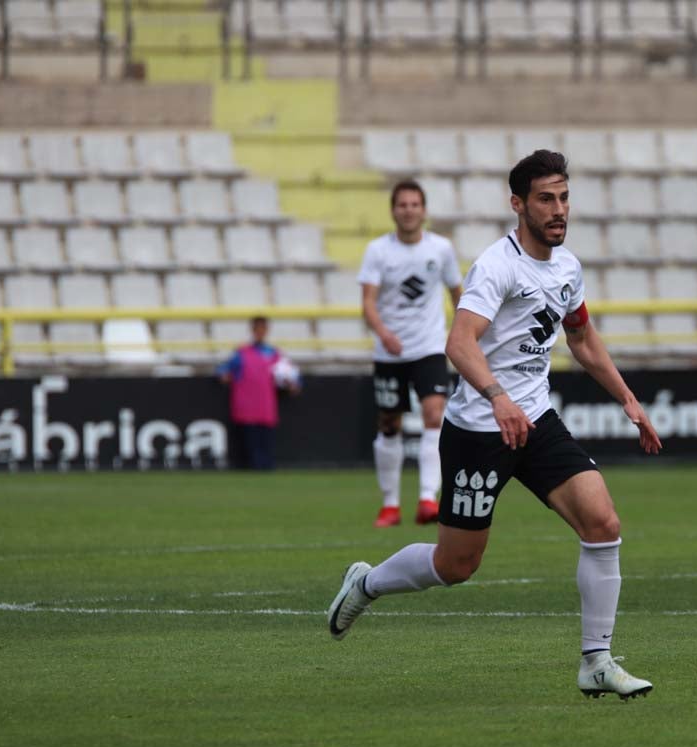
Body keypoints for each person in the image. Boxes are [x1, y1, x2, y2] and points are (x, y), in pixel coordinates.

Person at [329, 150, 663, 700]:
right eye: (545, 199)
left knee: (603, 523)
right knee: (456, 565)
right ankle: (366, 583)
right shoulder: (496, 266)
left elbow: (581, 338)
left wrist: (628, 398)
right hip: (480, 429)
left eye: (564, 198)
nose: (559, 210)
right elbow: (458, 343)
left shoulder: (567, 268)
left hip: (535, 421)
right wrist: (497, 397)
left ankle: (596, 662)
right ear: (518, 205)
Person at [359, 180, 463, 527]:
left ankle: (426, 500)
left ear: (424, 210)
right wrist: (384, 333)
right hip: (390, 353)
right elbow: (368, 303)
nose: (408, 210)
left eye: (414, 204)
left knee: (435, 415)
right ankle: (390, 504)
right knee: (389, 424)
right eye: (402, 205)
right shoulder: (378, 251)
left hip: (429, 347)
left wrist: (466, 333)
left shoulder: (441, 249)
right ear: (393, 210)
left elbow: (457, 293)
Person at [217, 316, 300, 470]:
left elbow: (290, 375)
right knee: (249, 448)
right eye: (257, 329)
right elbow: (224, 369)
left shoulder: (274, 354)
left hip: (265, 407)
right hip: (246, 407)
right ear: (252, 330)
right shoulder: (242, 353)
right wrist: (225, 375)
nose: (260, 332)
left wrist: (293, 384)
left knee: (266, 446)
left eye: (263, 328)